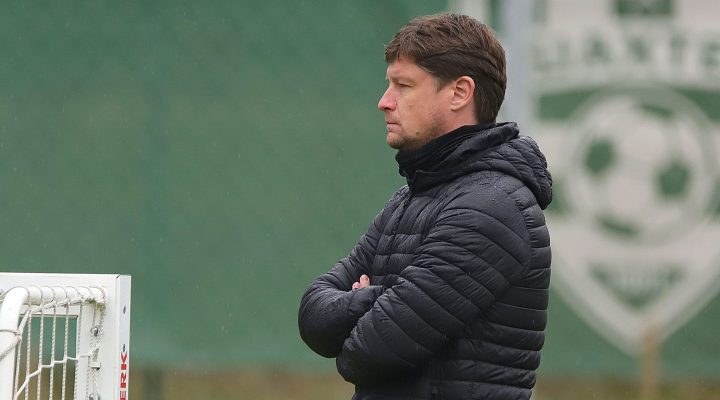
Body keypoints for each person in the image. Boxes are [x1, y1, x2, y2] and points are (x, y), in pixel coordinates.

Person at [298, 13, 552, 400]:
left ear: (459, 93)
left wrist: (359, 304)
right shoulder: (411, 197)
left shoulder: (492, 207)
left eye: (403, 86)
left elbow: (372, 351)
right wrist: (377, 300)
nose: (384, 102)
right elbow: (313, 316)